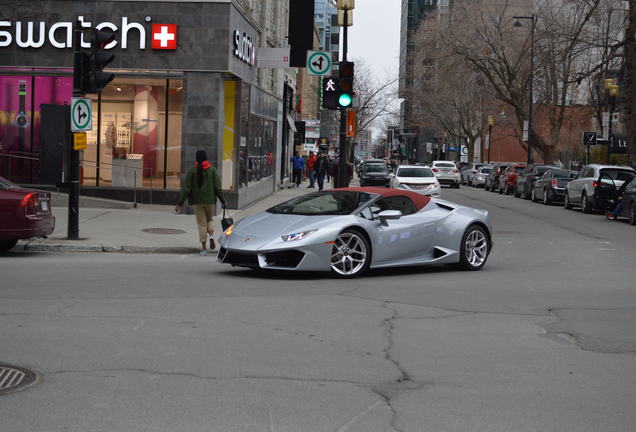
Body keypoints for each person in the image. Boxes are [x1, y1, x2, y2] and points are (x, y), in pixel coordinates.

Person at [175, 150, 226, 256]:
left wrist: (179, 203)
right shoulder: (212, 170)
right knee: (210, 220)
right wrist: (223, 201)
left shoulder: (192, 171)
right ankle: (211, 236)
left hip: (196, 202)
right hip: (210, 201)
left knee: (201, 224)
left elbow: (186, 189)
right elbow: (217, 187)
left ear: (196, 159)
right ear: (206, 158)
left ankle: (203, 248)